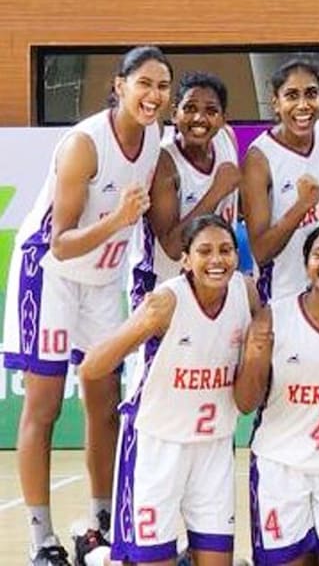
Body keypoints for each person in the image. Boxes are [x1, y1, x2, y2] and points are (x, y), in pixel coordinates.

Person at [1, 45, 170, 565]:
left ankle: (100, 522)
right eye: (144, 83)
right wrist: (118, 221)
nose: (154, 95)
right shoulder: (85, 144)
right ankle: (42, 540)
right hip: (50, 275)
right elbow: (60, 242)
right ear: (119, 86)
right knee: (45, 406)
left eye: (162, 86)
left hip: (101, 280)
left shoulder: (155, 138)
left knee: (104, 401)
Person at [78, 214, 258, 566]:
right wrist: (141, 326)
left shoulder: (245, 292)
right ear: (186, 260)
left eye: (225, 250)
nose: (217, 259)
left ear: (237, 256)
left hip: (213, 446)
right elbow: (91, 367)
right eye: (205, 251)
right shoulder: (166, 302)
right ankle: (100, 557)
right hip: (156, 444)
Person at [237, 223, 319, 565]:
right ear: (306, 263)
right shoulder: (273, 316)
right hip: (281, 466)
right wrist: (253, 358)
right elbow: (246, 403)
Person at [130, 72, 241, 301]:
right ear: (174, 114)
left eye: (211, 111)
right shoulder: (164, 163)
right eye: (190, 108)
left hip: (212, 282)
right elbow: (172, 248)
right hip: (162, 286)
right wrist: (216, 192)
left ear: (223, 119)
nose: (199, 118)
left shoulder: (227, 139)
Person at [242, 59, 319, 303]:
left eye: (311, 94)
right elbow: (261, 252)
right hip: (283, 293)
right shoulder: (259, 159)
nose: (303, 105)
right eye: (291, 96)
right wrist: (302, 206)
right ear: (276, 104)